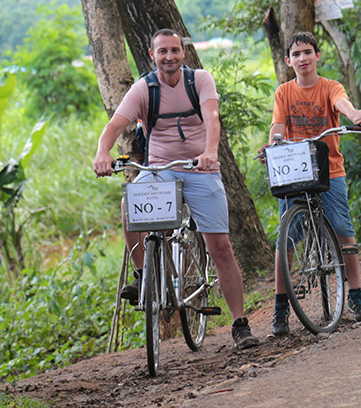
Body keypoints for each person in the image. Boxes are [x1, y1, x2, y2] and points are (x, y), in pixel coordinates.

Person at [92, 29, 259, 350]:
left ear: (183, 53)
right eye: (162, 52)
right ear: (152, 54)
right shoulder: (144, 88)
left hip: (201, 167)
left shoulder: (200, 80)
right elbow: (114, 125)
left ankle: (240, 324)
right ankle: (143, 276)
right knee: (130, 207)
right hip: (158, 170)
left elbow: (212, 117)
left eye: (174, 51)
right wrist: (102, 153)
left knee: (220, 247)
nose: (169, 57)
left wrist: (210, 152)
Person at [269, 32, 361, 336]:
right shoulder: (284, 93)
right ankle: (281, 308)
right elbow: (277, 128)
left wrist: (355, 114)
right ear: (288, 61)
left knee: (344, 232)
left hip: (329, 170)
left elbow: (341, 103)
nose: (302, 58)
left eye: (307, 52)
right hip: (294, 170)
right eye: (296, 54)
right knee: (286, 240)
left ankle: (356, 296)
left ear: (318, 56)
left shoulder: (330, 87)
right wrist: (273, 147)